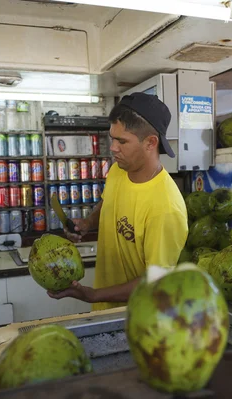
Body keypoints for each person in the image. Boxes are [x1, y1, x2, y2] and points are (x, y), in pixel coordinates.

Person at [47, 93, 189, 311]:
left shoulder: (166, 208)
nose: (113, 148)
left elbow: (156, 281)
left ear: (151, 142)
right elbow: (108, 203)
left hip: (138, 321)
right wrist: (88, 223)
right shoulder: (118, 171)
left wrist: (93, 295)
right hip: (104, 310)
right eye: (112, 138)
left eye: (122, 141)